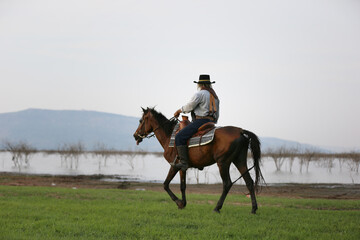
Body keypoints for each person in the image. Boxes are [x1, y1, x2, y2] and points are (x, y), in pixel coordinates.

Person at [173, 74, 220, 171]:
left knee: (179, 137)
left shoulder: (200, 94)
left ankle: (184, 163)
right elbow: (217, 113)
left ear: (200, 84)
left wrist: (179, 111)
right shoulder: (215, 96)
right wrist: (213, 121)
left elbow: (190, 106)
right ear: (209, 84)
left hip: (200, 121)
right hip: (211, 122)